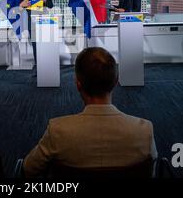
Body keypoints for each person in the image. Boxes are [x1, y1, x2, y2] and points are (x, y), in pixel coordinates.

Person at [23, 47, 157, 177]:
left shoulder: (57, 131)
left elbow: (28, 169)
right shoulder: (144, 131)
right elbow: (151, 172)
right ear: (115, 82)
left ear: (78, 84)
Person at [18, 0, 53, 69]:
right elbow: (17, 10)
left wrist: (45, 0)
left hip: (43, 21)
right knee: (35, 45)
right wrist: (21, 4)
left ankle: (46, 67)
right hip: (31, 22)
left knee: (45, 44)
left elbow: (51, 5)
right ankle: (38, 68)